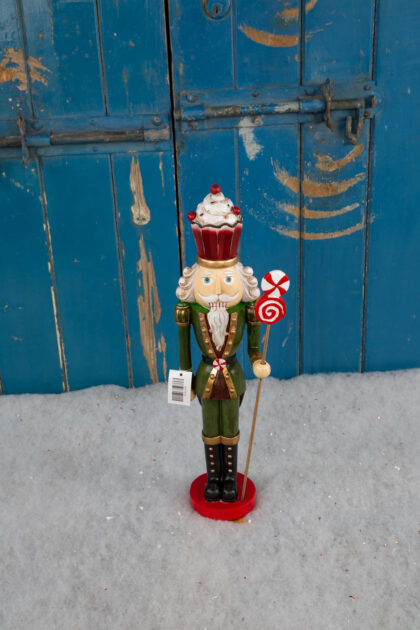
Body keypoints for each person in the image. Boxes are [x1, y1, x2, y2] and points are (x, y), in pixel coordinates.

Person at [175, 185, 270, 502]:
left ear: (239, 280)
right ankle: (212, 478)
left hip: (232, 377)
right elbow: (184, 349)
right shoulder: (189, 310)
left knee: (230, 428)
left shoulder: (245, 309)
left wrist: (257, 361)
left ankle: (229, 478)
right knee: (208, 429)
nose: (217, 291)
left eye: (227, 280)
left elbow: (253, 346)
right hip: (204, 377)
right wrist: (184, 382)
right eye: (208, 281)